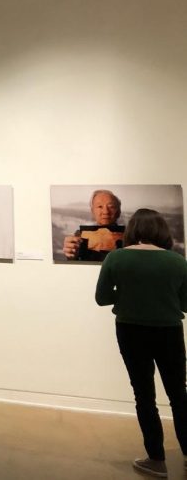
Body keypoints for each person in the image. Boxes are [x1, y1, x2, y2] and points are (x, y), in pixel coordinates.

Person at [95, 208, 187, 478]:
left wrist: (128, 295)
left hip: (130, 331)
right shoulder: (177, 261)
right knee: (179, 395)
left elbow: (102, 298)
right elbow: (185, 303)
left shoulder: (116, 258)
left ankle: (156, 459)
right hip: (169, 331)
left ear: (132, 229)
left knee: (144, 395)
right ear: (162, 231)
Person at [63, 189, 123, 261]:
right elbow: (74, 261)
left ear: (119, 211)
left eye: (111, 206)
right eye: (100, 206)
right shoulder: (80, 235)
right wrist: (71, 255)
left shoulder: (131, 235)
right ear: (92, 211)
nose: (105, 212)